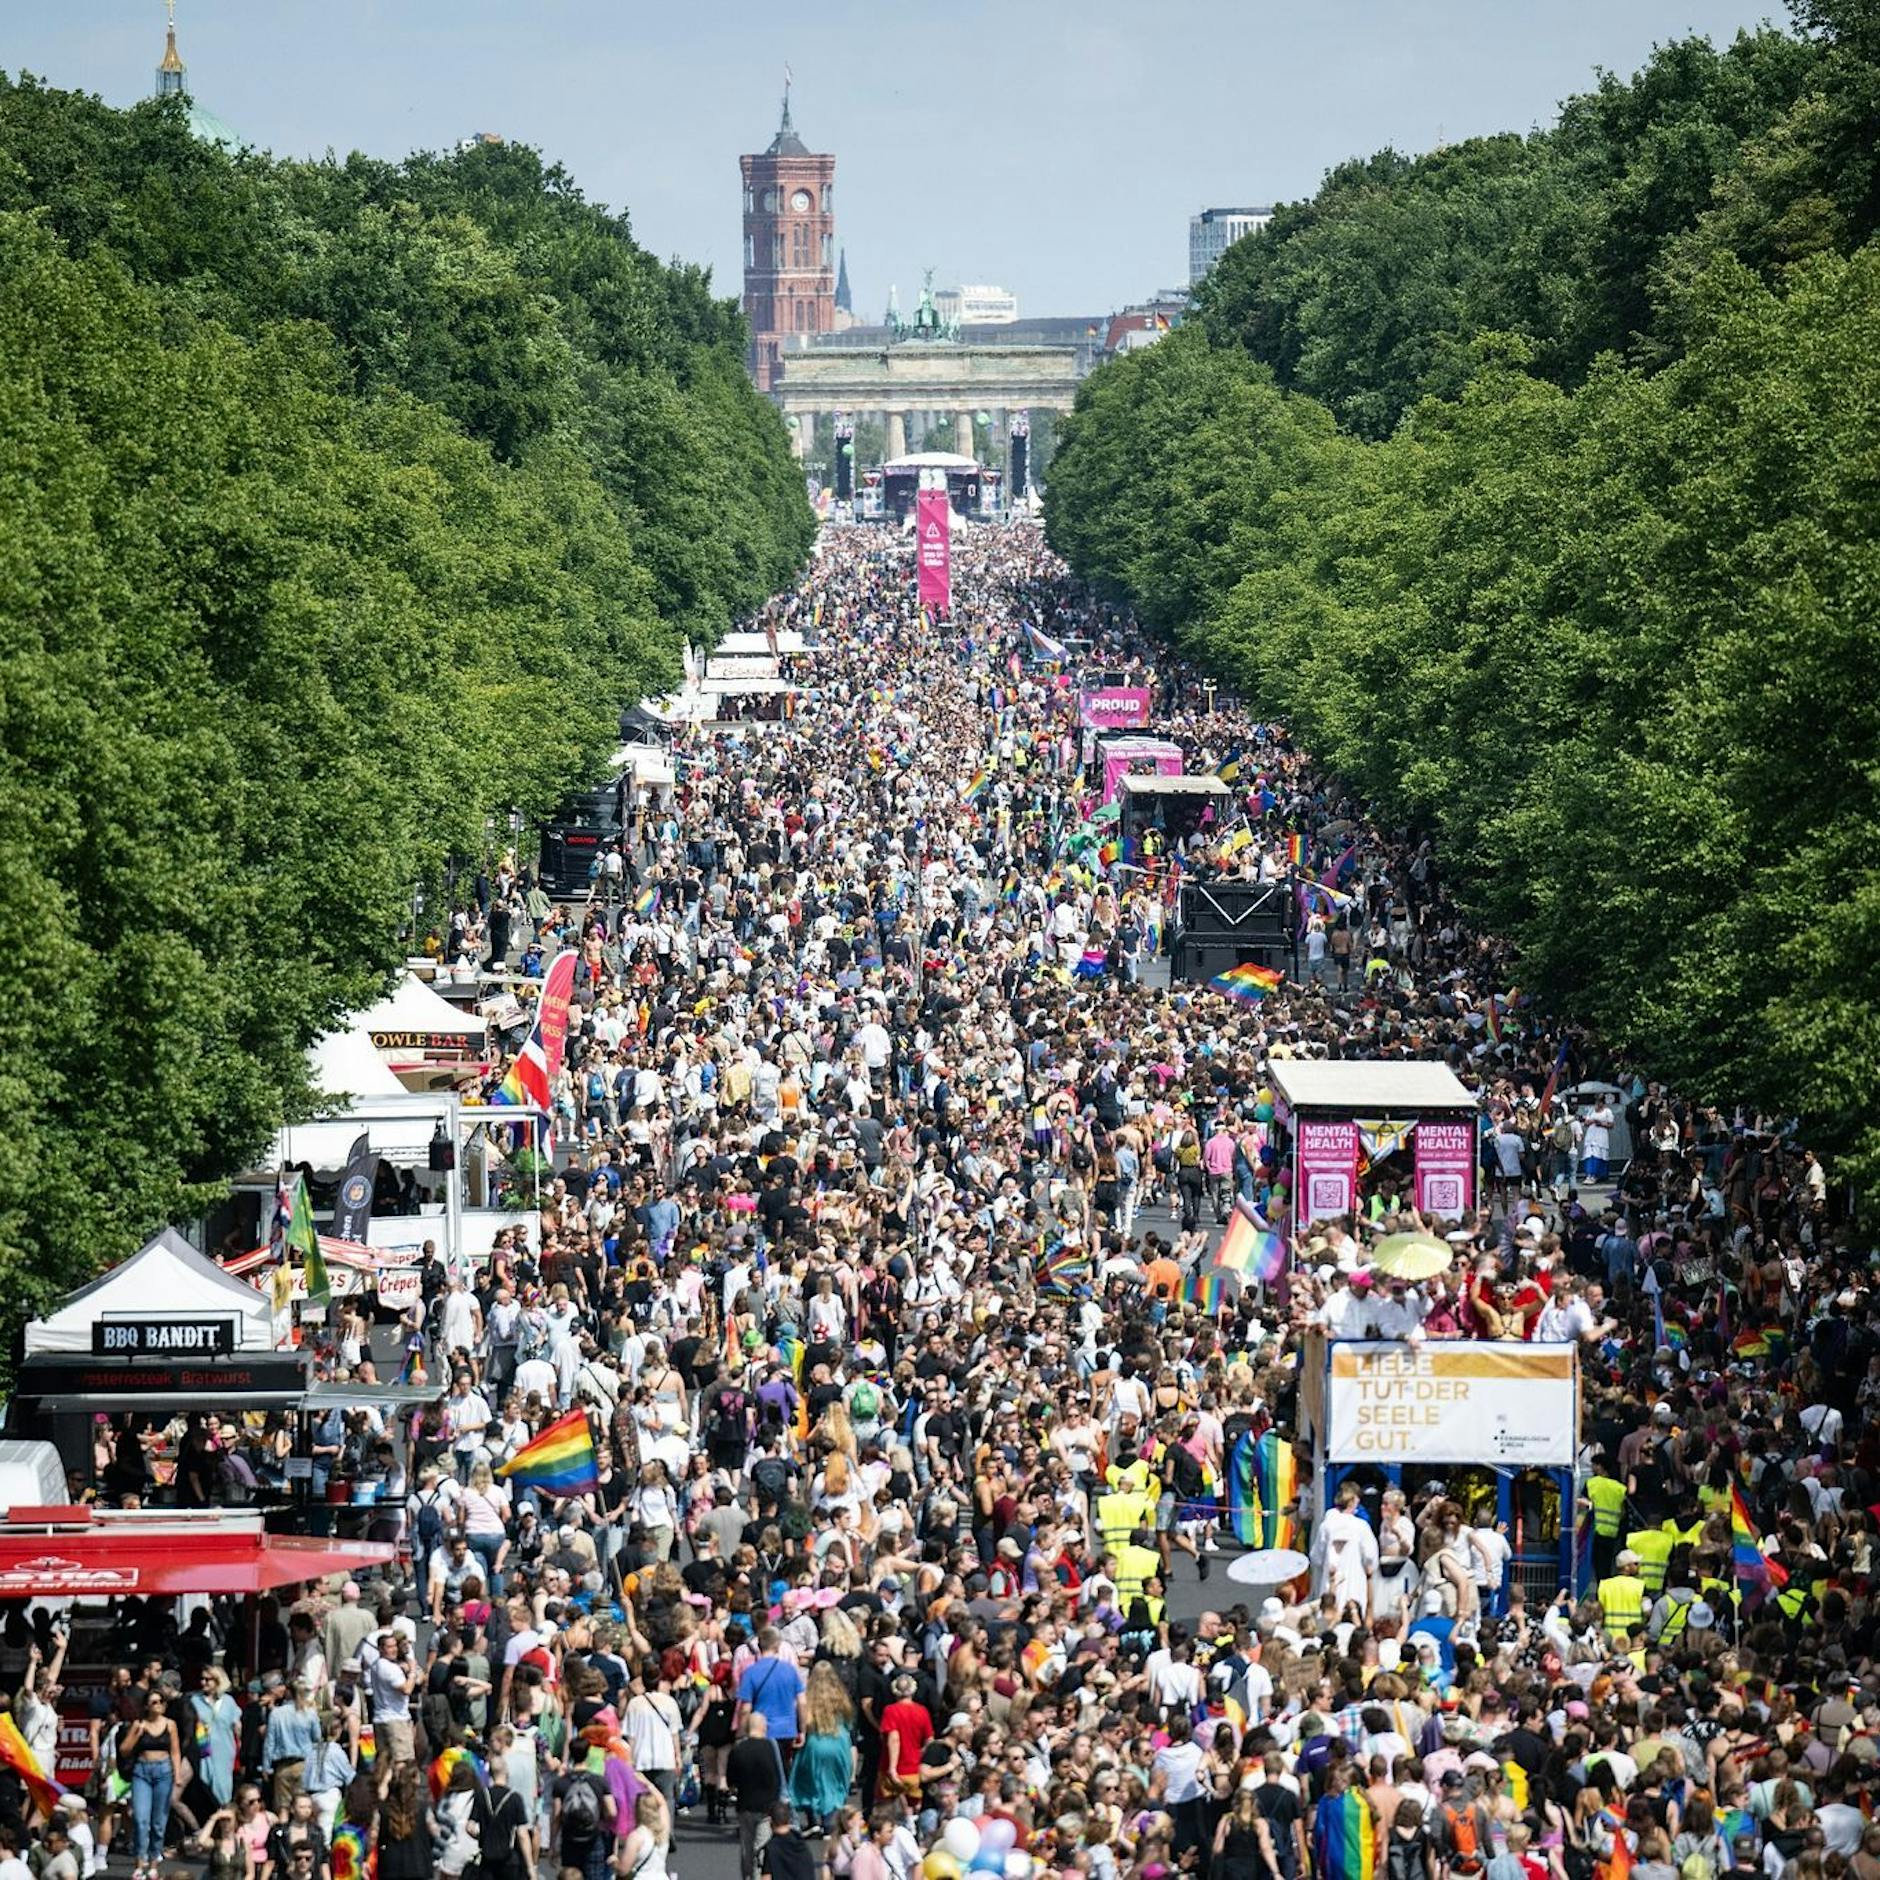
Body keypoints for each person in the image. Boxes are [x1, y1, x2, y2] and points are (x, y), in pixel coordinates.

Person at [120, 1689, 184, 1880]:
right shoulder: (139, 1724)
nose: (158, 1706)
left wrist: (177, 1775)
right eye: (153, 1702)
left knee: (158, 1822)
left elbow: (175, 1751)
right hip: (142, 1771)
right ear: (147, 1706)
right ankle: (140, 1863)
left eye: (160, 1702)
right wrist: (136, 1734)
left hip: (163, 1772)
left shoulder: (170, 1725)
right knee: (141, 1820)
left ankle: (154, 1862)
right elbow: (124, 1750)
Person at [728, 1714, 787, 1880]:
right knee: (761, 1848)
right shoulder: (771, 1748)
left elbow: (731, 1780)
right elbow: (779, 1776)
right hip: (767, 1808)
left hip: (745, 1805)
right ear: (763, 1727)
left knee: (746, 1848)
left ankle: (747, 1876)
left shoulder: (738, 1749)